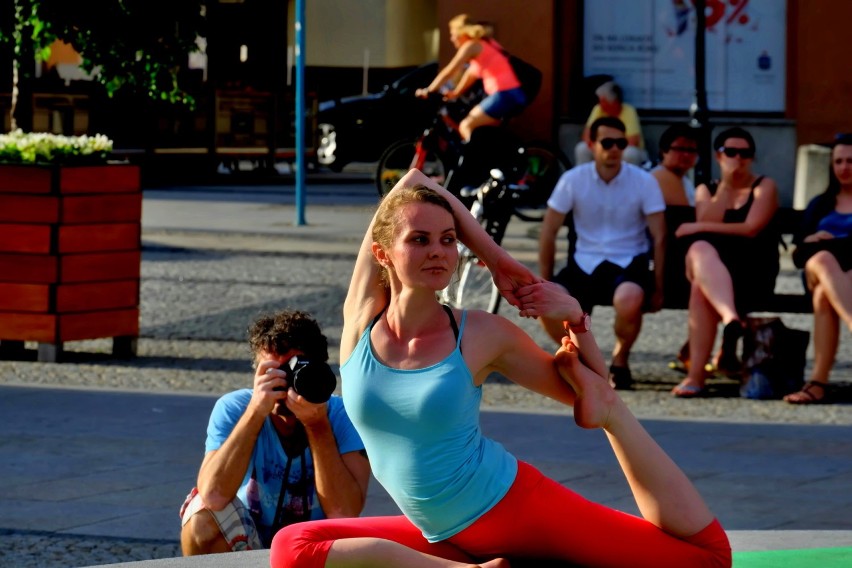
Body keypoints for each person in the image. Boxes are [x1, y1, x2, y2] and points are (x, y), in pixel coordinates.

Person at [269, 168, 731, 567]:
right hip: (446, 535)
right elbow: (410, 181)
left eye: (449, 240)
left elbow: (589, 389)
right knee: (293, 544)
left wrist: (572, 316)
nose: (438, 251)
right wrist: (496, 256)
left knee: (706, 560)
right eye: (420, 239)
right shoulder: (359, 317)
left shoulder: (482, 334)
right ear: (383, 254)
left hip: (513, 507)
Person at [179, 310, 370, 555]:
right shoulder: (235, 408)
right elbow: (213, 496)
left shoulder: (342, 414)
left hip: (316, 546)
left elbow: (345, 513)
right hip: (248, 544)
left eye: (291, 371)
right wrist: (256, 412)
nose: (281, 382)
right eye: (271, 372)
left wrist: (317, 425)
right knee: (201, 517)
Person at [540, 116, 667, 390]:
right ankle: (583, 359)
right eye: (607, 143)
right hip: (583, 262)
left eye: (620, 143)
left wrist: (658, 285)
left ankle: (620, 360)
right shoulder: (573, 179)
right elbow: (548, 231)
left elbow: (660, 236)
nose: (614, 150)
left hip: (629, 261)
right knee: (547, 305)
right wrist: (545, 280)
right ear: (591, 144)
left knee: (630, 299)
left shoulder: (643, 181)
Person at [671, 127, 780, 398]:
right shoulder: (705, 189)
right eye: (731, 152)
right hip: (714, 271)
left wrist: (697, 228)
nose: (738, 158)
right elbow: (710, 218)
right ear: (718, 156)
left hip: (751, 272)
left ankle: (696, 376)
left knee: (700, 284)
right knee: (699, 251)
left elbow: (751, 228)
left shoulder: (764, 186)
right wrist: (726, 187)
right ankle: (730, 318)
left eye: (745, 153)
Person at [784, 134, 852, 404]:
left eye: (850, 161)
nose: (844, 167)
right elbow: (799, 251)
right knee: (822, 260)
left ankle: (818, 383)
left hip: (847, 276)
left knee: (825, 294)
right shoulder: (820, 204)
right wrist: (813, 240)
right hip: (816, 270)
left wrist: (838, 243)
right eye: (838, 161)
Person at [415, 14, 528, 142]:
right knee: (483, 133)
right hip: (512, 94)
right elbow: (471, 75)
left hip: (505, 94)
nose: (452, 39)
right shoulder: (486, 44)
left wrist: (429, 90)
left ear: (462, 33)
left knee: (466, 125)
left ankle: (477, 161)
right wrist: (455, 93)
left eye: (453, 34)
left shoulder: (471, 46)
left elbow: (450, 70)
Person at [575, 81, 648, 166]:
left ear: (613, 102)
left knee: (630, 153)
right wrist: (603, 147)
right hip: (602, 147)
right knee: (582, 148)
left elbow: (633, 141)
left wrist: (611, 146)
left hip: (623, 148)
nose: (600, 104)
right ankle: (584, 177)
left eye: (603, 101)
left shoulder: (629, 111)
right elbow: (586, 135)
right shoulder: (598, 109)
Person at [651, 123, 701, 207]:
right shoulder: (660, 176)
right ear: (664, 151)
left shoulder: (685, 181)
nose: (686, 155)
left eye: (691, 150)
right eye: (680, 149)